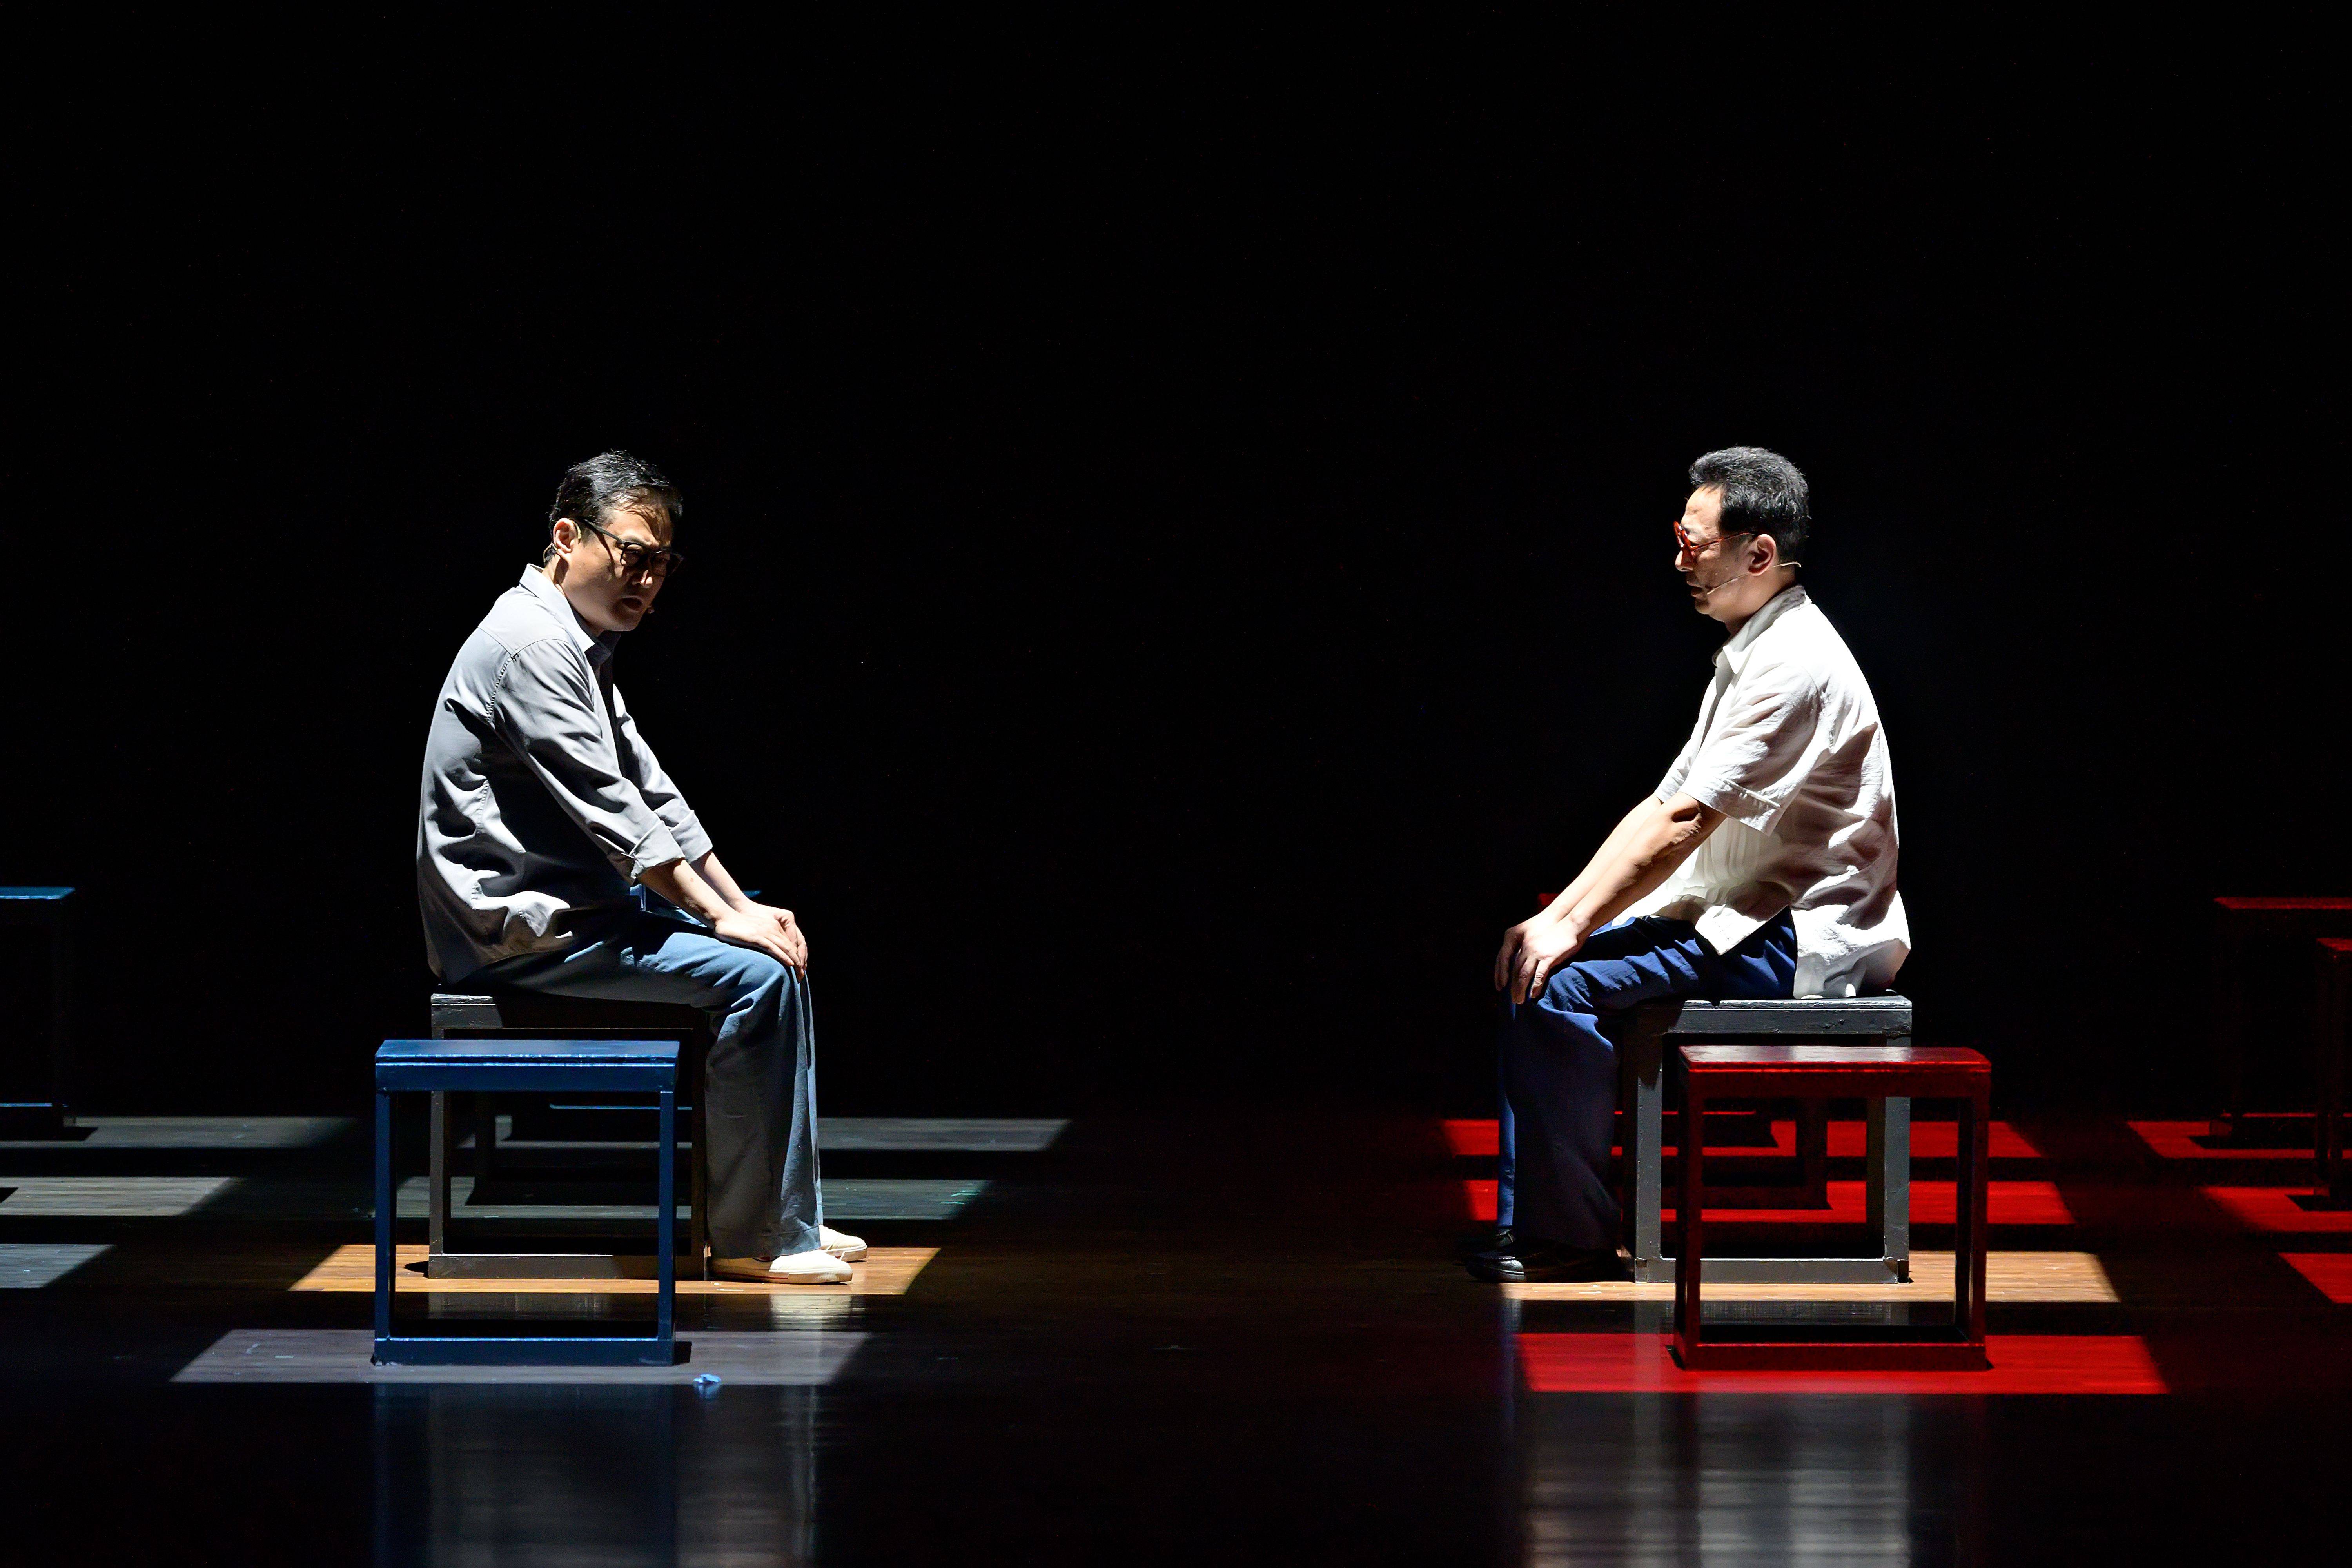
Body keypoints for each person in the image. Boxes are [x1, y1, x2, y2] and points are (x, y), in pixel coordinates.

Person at [417, 450, 860, 1284]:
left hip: (576, 914)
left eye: (662, 564)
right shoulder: (530, 645)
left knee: (776, 955)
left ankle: (782, 1210)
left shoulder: (576, 640)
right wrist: (719, 916)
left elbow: (652, 789)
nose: (648, 581)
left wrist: (737, 904)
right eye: (633, 555)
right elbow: (611, 810)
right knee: (757, 979)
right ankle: (755, 1238)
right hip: (520, 934)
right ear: (566, 537)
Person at [1470, 447, 1909, 1283]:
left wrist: (1573, 926)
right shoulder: (1757, 647)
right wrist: (1560, 914)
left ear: (1760, 553)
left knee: (1556, 984)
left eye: (1692, 543)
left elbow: (1683, 822)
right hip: (1745, 908)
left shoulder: (1796, 662)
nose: (1679, 562)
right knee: (1537, 956)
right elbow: (1662, 801)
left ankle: (1569, 1237)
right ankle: (1537, 1221)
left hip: (1795, 929)